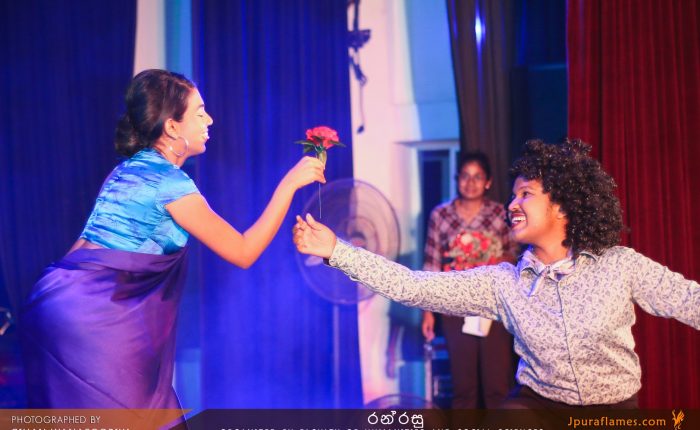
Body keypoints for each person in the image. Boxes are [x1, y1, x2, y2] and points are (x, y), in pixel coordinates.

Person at [293, 139, 699, 409]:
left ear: (562, 206)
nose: (512, 204)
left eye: (526, 194)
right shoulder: (503, 283)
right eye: (512, 194)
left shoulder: (619, 264)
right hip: (539, 407)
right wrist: (337, 251)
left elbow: (689, 300)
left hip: (614, 412)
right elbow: (413, 286)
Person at [20, 69, 325, 408]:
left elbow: (83, 250)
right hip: (94, 320)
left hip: (50, 301)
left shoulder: (126, 169)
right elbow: (243, 251)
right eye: (200, 112)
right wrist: (289, 184)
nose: (209, 120)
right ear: (172, 127)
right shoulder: (171, 184)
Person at [422, 151, 517, 408]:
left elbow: (515, 253)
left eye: (477, 177)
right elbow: (431, 263)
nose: (470, 183)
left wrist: (492, 260)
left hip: (493, 305)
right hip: (454, 304)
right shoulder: (441, 215)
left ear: (488, 182)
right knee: (463, 388)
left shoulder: (500, 213)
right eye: (465, 176)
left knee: (497, 385)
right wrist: (428, 312)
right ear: (457, 179)